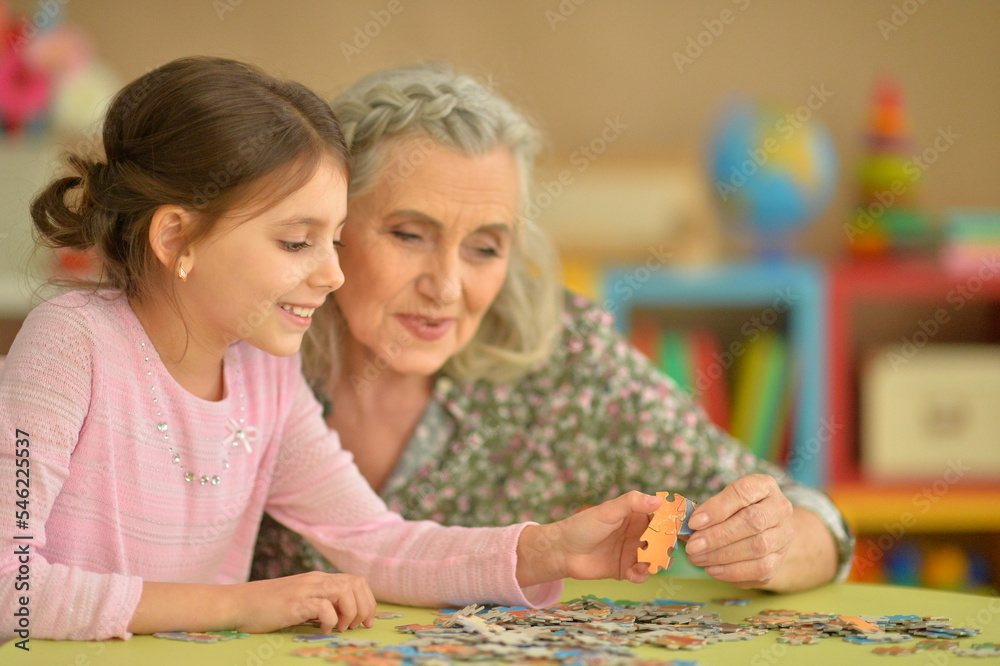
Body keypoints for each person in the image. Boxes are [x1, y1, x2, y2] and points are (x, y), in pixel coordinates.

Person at [0, 56, 681, 642]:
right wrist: (238, 606)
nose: (332, 273)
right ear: (177, 238)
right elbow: (10, 587)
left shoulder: (265, 372)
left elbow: (375, 542)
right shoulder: (71, 345)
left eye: (334, 239)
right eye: (297, 242)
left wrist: (547, 549)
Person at [252, 63, 855, 593]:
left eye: (485, 248)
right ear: (333, 224)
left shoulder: (568, 362)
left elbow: (816, 520)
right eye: (409, 234)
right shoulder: (250, 352)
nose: (447, 287)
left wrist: (773, 544)